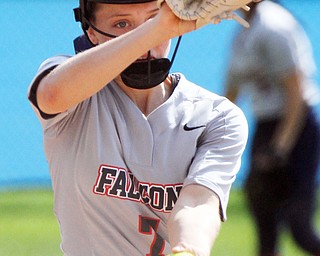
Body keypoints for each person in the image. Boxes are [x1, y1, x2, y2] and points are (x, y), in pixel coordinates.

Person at [28, 0, 249, 255]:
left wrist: (189, 249)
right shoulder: (75, 91)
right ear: (91, 33)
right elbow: (52, 96)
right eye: (121, 23)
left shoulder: (216, 117)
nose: (147, 42)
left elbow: (199, 201)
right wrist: (160, 26)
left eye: (152, 18)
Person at [225, 1, 320, 255]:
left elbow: (296, 92)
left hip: (296, 127)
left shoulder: (274, 26)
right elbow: (232, 89)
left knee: (300, 228)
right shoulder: (243, 27)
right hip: (266, 124)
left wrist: (279, 149)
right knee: (264, 225)